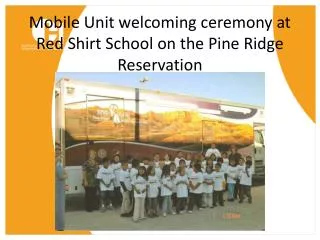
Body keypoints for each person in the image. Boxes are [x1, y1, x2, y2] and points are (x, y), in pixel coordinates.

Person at [55, 143, 67, 231]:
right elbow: (61, 175)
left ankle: (58, 226)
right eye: (56, 149)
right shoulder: (56, 161)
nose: (58, 151)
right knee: (58, 207)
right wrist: (65, 175)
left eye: (59, 149)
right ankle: (59, 227)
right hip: (57, 187)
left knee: (59, 206)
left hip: (60, 186)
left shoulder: (59, 161)